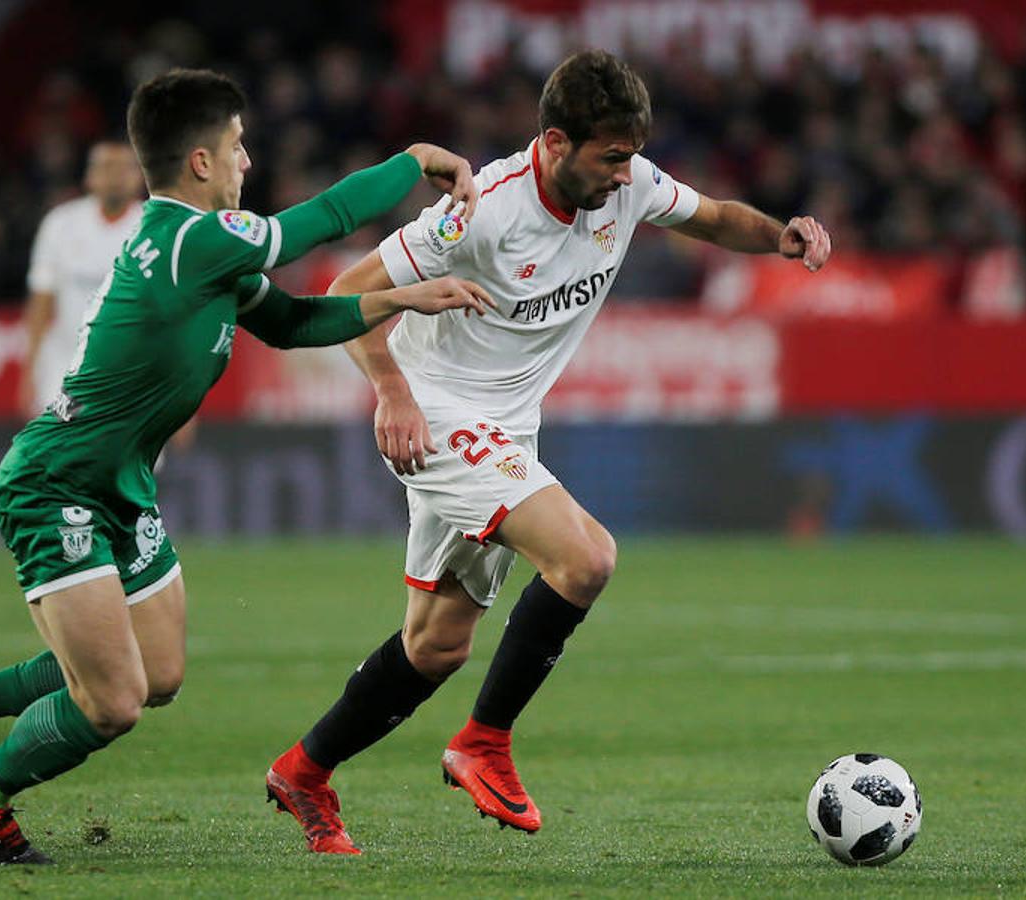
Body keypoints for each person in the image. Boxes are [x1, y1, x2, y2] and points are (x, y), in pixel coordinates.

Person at [0, 67, 494, 866]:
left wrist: (400, 300)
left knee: (159, 672)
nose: (249, 161)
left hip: (123, 484)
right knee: (112, 702)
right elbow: (323, 218)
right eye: (239, 146)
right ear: (201, 162)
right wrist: (413, 160)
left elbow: (289, 323)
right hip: (56, 483)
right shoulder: (189, 237)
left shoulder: (208, 256)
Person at [265, 49, 833, 854]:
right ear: (557, 143)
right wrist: (390, 390)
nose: (622, 176)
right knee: (587, 558)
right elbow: (343, 290)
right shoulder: (482, 208)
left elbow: (710, 218)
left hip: (507, 426)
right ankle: (483, 744)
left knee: (436, 646)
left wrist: (782, 235)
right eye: (610, 158)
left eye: (631, 157)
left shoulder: (628, 183)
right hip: (438, 414)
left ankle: (302, 773)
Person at [21, 140, 143, 416]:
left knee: (128, 459)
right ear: (90, 176)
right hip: (66, 373)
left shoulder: (155, 229)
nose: (115, 177)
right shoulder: (60, 224)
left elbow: (174, 312)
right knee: (64, 453)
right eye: (106, 168)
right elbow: (41, 300)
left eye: (125, 168)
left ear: (140, 177)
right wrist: (29, 370)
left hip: (133, 376)